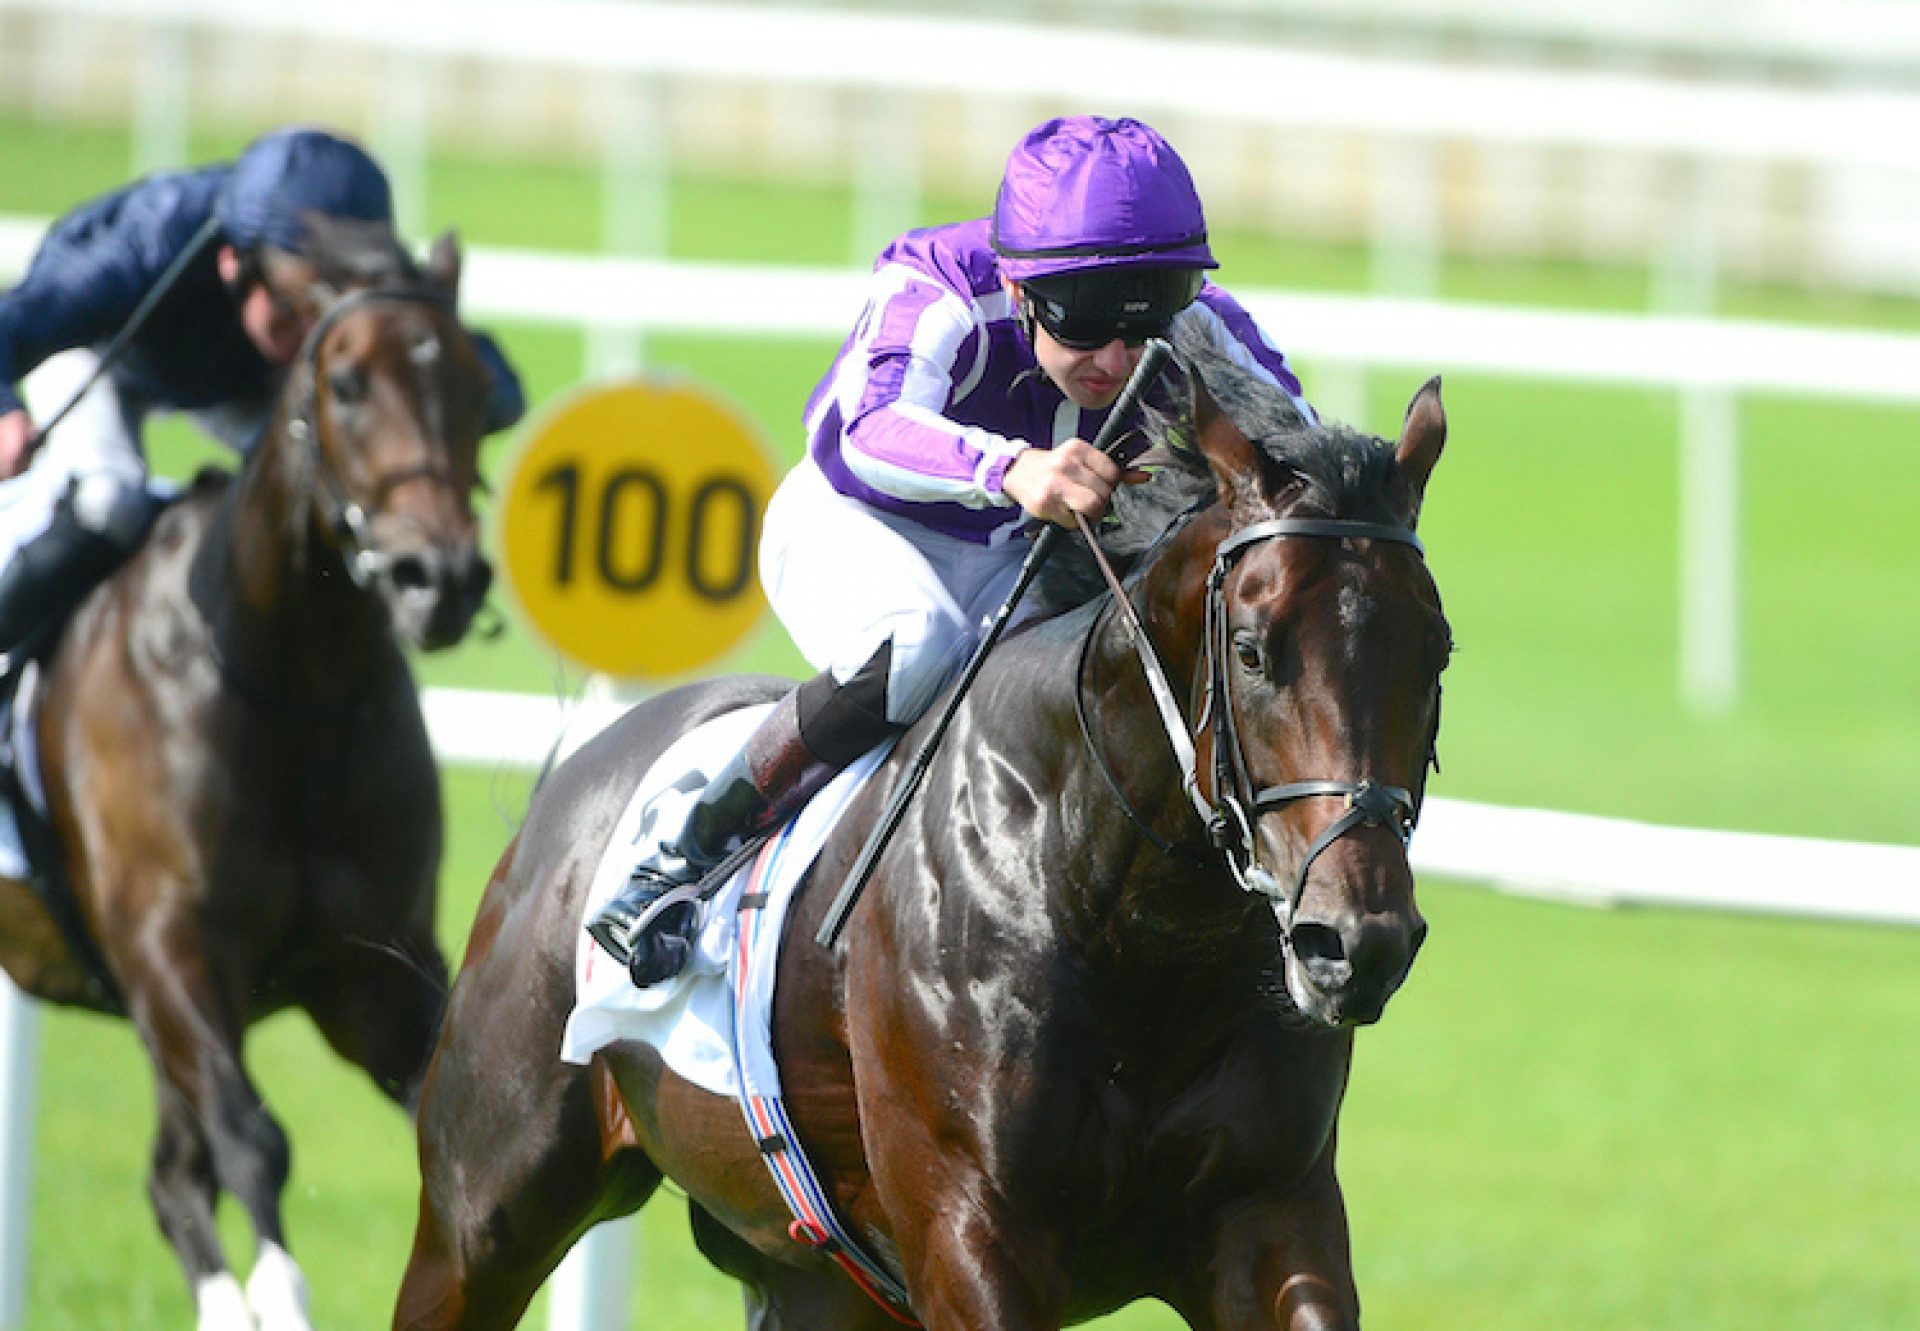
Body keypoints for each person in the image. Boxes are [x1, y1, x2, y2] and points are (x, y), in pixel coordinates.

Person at [588, 113, 1315, 985]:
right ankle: (684, 851)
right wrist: (1009, 468)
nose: (1116, 357)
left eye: (1146, 314)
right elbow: (860, 426)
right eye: (1082, 318)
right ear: (1018, 289)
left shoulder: (1194, 325)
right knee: (917, 642)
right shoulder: (935, 285)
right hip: (861, 524)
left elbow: (1300, 452)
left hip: (1025, 554)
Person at [0, 126, 524, 659]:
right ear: (233, 263)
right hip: (105, 353)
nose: (308, 335)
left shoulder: (333, 310)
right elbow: (12, 323)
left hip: (243, 379)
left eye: (327, 314)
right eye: (293, 313)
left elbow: (496, 384)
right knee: (110, 501)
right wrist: (5, 410)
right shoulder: (148, 239)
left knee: (320, 510)